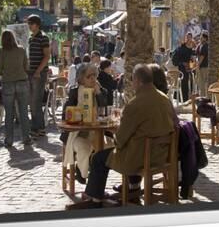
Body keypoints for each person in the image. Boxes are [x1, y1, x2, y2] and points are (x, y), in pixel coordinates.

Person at [72, 64, 174, 209]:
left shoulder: (135, 104)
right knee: (126, 148)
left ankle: (94, 198)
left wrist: (116, 132)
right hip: (161, 155)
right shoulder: (164, 99)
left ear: (137, 81)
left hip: (139, 158)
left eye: (132, 81)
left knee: (98, 158)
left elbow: (119, 141)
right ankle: (133, 189)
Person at [61, 63, 108, 184]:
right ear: (81, 79)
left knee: (109, 148)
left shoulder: (100, 90)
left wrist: (98, 93)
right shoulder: (75, 92)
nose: (93, 79)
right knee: (83, 148)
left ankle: (92, 180)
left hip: (97, 133)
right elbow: (66, 115)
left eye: (95, 76)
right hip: (77, 134)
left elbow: (106, 109)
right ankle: (82, 174)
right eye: (89, 76)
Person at [0, 30, 32, 147]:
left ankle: (9, 140)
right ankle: (26, 138)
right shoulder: (21, 50)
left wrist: (6, 72)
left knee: (9, 113)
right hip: (22, 81)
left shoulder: (1, 52)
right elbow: (26, 66)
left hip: (8, 83)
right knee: (23, 112)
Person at [27, 14, 51, 137]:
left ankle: (36, 128)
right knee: (32, 101)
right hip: (30, 73)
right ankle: (39, 127)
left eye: (30, 24)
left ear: (36, 24)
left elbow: (47, 56)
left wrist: (38, 71)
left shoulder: (43, 38)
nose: (29, 26)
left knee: (35, 101)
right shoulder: (30, 38)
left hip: (39, 74)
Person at [172, 33, 196, 102]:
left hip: (191, 69)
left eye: (190, 37)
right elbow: (176, 58)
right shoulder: (181, 48)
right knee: (183, 83)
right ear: (185, 38)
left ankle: (190, 99)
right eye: (187, 37)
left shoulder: (193, 48)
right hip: (183, 68)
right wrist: (182, 63)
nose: (188, 39)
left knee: (192, 83)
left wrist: (193, 62)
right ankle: (183, 99)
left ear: (191, 38)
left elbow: (194, 58)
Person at [196, 32, 209, 97]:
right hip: (200, 66)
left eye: (202, 37)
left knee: (204, 82)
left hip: (204, 66)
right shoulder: (200, 45)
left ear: (205, 38)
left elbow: (202, 56)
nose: (200, 38)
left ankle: (206, 97)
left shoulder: (205, 46)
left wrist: (198, 64)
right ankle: (202, 96)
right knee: (201, 83)